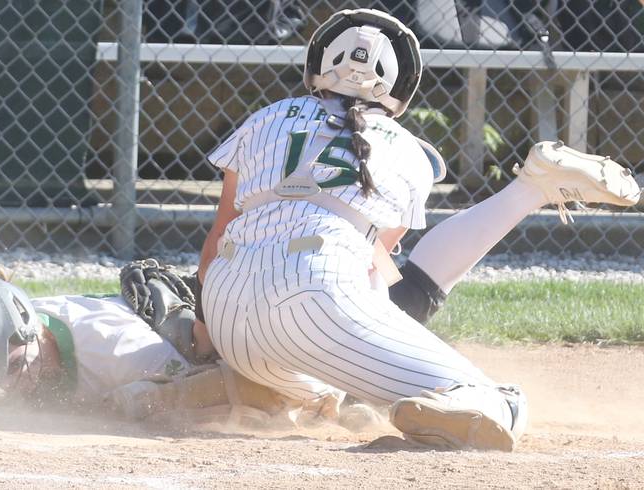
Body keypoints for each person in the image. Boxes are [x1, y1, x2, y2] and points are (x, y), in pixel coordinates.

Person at [194, 8, 641, 451]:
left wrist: (204, 330)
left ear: (318, 64)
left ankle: (238, 384)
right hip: (316, 299)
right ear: (400, 84)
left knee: (315, 394)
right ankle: (528, 192)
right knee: (497, 402)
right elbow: (377, 272)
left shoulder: (263, 119)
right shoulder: (409, 151)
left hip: (226, 308)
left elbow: (217, 241)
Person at [0, 227, 343, 430]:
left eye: (11, 368)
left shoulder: (118, 353)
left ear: (30, 331)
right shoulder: (0, 340)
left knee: (152, 396)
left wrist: (146, 401)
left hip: (270, 330)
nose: (7, 383)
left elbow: (251, 390)